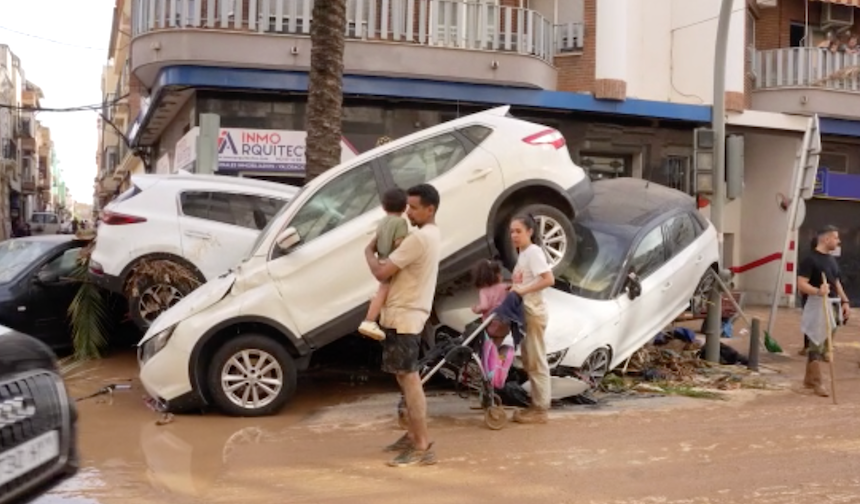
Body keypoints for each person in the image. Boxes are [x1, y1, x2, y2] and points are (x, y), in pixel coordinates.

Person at [364, 183, 441, 467]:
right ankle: (413, 436)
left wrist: (368, 251)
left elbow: (382, 271)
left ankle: (421, 445)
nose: (408, 211)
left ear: (430, 209)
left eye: (414, 207)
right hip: (406, 313)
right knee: (405, 377)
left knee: (409, 379)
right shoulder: (428, 235)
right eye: (408, 206)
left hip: (406, 315)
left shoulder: (418, 239)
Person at [508, 214, 555, 424]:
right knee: (529, 357)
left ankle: (540, 409)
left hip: (533, 310)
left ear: (530, 232)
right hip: (525, 310)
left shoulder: (534, 253)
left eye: (518, 231)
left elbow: (548, 279)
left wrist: (523, 290)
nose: (514, 235)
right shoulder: (523, 254)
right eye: (511, 232)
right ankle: (536, 403)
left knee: (536, 358)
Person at [797, 225, 850, 397]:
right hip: (817, 304)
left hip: (832, 304)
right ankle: (818, 382)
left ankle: (809, 380)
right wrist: (818, 291)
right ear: (825, 239)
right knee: (816, 341)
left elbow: (836, 282)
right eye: (835, 237)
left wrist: (844, 301)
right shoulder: (810, 260)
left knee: (824, 343)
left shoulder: (831, 260)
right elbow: (801, 284)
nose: (838, 241)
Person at [359, 188, 410, 341]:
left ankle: (375, 306)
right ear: (404, 206)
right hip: (391, 262)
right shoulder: (401, 222)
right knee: (386, 289)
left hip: (381, 259)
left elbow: (376, 242)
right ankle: (369, 321)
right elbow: (400, 243)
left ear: (383, 206)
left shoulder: (382, 222)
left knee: (384, 290)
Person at [471, 259, 510, 341]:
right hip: (507, 322)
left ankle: (495, 351)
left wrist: (476, 309)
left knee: (493, 342)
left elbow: (485, 306)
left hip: (492, 325)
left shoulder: (483, 291)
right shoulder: (504, 287)